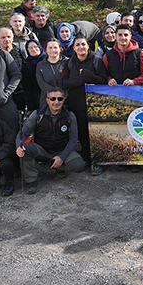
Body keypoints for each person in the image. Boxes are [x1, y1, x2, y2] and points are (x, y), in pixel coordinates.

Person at [16, 88, 86, 194]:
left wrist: (62, 157)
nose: (56, 102)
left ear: (64, 100)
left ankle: (60, 168)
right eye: (53, 99)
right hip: (42, 149)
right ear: (47, 100)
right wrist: (18, 146)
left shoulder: (70, 116)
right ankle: (31, 181)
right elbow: (23, 132)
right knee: (26, 149)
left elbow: (73, 139)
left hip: (61, 149)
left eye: (60, 99)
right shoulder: (37, 114)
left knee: (79, 165)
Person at [62, 36, 103, 175]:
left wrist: (88, 75)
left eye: (83, 44)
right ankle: (86, 158)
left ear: (88, 46)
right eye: (77, 45)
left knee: (96, 134)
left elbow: (102, 80)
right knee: (83, 134)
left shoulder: (97, 60)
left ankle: (98, 161)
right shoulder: (69, 63)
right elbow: (65, 83)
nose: (81, 47)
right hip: (77, 104)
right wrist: (82, 78)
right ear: (73, 48)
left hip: (96, 105)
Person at [0, 27, 26, 114]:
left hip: (19, 92)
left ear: (12, 38)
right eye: (3, 37)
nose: (6, 39)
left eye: (9, 37)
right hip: (2, 93)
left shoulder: (20, 52)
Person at [36, 39, 68, 107]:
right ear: (45, 50)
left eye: (55, 47)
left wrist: (63, 94)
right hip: (47, 102)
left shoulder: (68, 62)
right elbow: (41, 83)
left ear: (60, 49)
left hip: (66, 100)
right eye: (50, 48)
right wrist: (55, 93)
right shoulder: (40, 65)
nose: (53, 50)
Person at [21, 39, 44, 113]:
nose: (33, 49)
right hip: (36, 100)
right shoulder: (27, 66)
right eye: (30, 48)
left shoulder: (48, 60)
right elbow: (27, 89)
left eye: (35, 46)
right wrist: (31, 107)